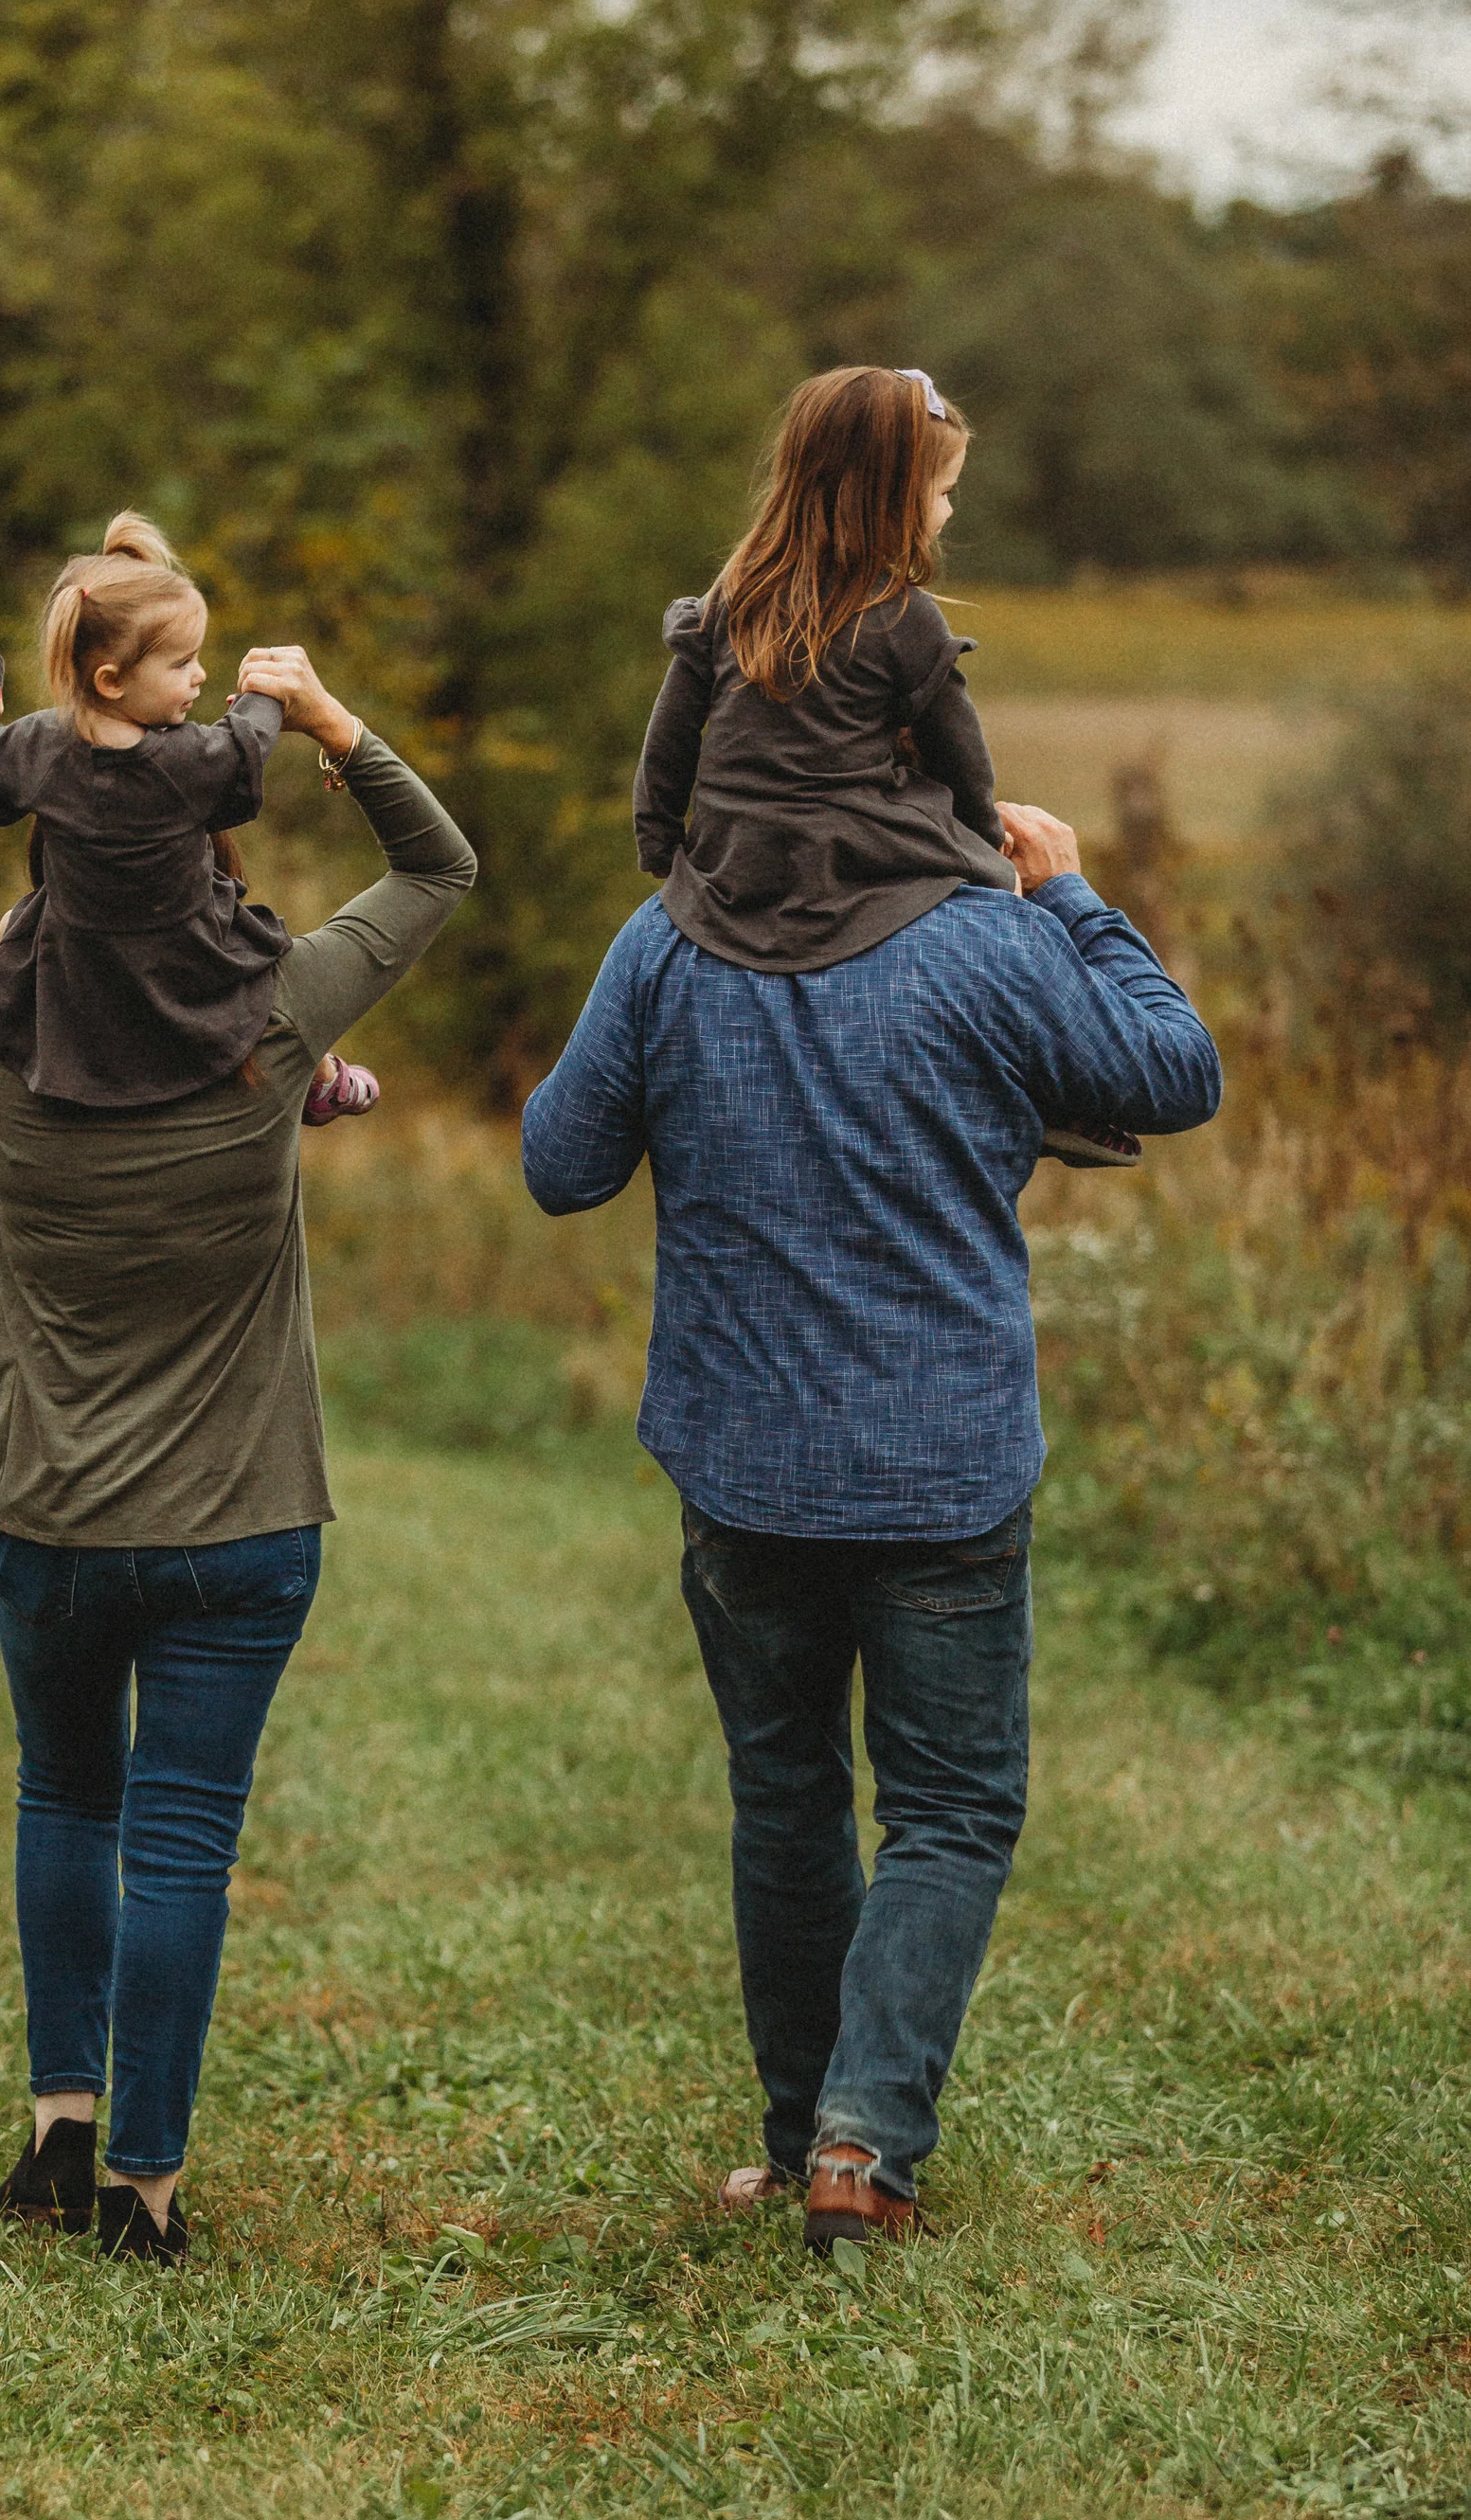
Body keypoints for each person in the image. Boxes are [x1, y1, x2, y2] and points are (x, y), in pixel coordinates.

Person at [522, 730, 1220, 2253]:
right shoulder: (989, 939)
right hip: (943, 1459)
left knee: (786, 1793)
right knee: (952, 1809)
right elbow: (1178, 1073)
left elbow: (560, 1162)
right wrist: (1079, 896)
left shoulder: (666, 942)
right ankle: (863, 2147)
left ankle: (801, 2143)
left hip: (743, 1460)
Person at [0, 635, 475, 2262]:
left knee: (66, 1799)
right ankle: (148, 2192)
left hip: (45, 1513)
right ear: (200, 857)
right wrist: (327, 715)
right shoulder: (277, 1023)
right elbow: (438, 862)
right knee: (181, 1836)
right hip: (241, 1519)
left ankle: (57, 2134)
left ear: (49, 848)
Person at [633, 366, 1139, 1171]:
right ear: (892, 499)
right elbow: (960, 757)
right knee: (1013, 918)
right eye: (941, 492)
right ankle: (1049, 1094)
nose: (947, 511)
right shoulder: (902, 614)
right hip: (854, 846)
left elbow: (669, 741)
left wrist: (664, 848)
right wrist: (985, 853)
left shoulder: (731, 598)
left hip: (733, 857)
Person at [0, 511, 381, 1133]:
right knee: (259, 965)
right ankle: (324, 1077)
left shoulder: (36, 745)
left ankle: (26, 1088)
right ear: (112, 680)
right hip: (189, 959)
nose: (200, 676)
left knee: (17, 929)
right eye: (183, 664)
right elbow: (244, 750)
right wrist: (266, 693)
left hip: (78, 957)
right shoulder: (186, 760)